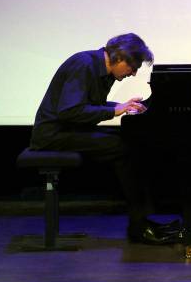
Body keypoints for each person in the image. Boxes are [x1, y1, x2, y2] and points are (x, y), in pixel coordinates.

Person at [29, 32, 178, 244]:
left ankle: (142, 221)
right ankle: (138, 226)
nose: (133, 73)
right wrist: (114, 110)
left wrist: (123, 106)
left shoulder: (104, 71)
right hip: (53, 134)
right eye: (133, 67)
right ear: (119, 58)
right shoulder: (84, 65)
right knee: (124, 147)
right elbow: (69, 111)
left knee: (132, 140)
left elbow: (87, 106)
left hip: (71, 130)